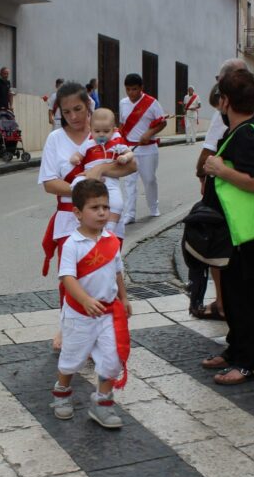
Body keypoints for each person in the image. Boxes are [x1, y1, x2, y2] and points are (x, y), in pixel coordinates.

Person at [39, 82, 137, 350]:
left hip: (105, 217)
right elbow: (49, 183)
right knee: (70, 280)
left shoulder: (104, 132)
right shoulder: (55, 139)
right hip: (69, 219)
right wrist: (82, 187)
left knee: (104, 276)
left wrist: (101, 169)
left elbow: (130, 166)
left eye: (78, 109)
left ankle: (103, 333)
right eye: (66, 111)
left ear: (89, 105)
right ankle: (68, 329)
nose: (73, 116)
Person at [199, 70, 254, 385]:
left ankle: (248, 362)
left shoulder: (247, 133)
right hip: (238, 230)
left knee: (248, 296)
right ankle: (235, 349)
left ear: (226, 101)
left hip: (246, 232)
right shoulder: (247, 127)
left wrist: (219, 169)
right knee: (234, 294)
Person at [51, 178, 131, 429]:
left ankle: (102, 404)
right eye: (94, 208)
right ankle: (62, 392)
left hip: (108, 312)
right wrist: (84, 300)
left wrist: (124, 297)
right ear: (77, 212)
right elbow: (67, 278)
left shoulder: (111, 240)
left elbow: (117, 271)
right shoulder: (72, 244)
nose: (102, 213)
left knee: (112, 358)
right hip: (80, 315)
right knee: (72, 358)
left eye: (105, 207)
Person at [68, 108, 133, 236]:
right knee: (76, 184)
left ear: (114, 130)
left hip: (110, 179)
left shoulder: (116, 144)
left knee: (117, 202)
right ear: (91, 130)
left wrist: (124, 158)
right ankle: (81, 221)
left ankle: (110, 228)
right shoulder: (88, 144)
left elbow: (130, 153)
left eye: (106, 131)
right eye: (97, 131)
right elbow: (77, 155)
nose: (101, 134)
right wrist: (75, 159)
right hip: (89, 177)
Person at [119, 73, 167, 224]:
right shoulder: (123, 103)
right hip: (129, 149)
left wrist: (149, 133)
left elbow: (162, 122)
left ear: (141, 88)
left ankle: (154, 207)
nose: (131, 93)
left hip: (148, 149)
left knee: (149, 180)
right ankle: (129, 214)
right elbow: (123, 125)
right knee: (129, 182)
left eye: (134, 89)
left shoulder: (152, 103)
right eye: (128, 90)